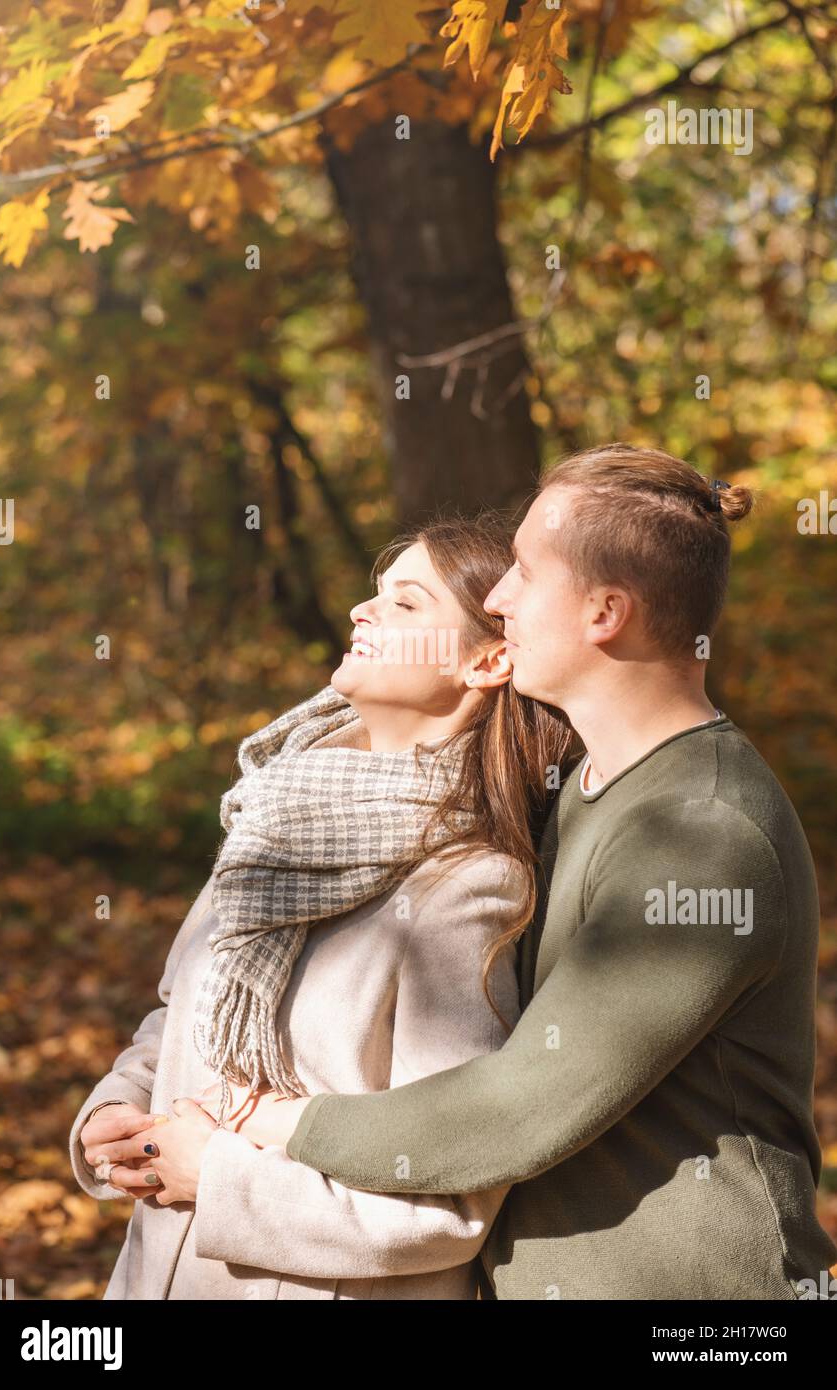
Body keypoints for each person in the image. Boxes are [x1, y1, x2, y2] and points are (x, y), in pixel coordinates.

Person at [205, 443, 837, 1300]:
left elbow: (519, 1108)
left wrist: (268, 1122)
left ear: (605, 611)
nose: (498, 598)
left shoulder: (704, 831)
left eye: (526, 575)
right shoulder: (583, 786)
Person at [69, 516, 573, 1299]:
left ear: (489, 659)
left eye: (406, 605)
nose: (360, 615)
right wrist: (120, 1107)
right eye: (374, 597)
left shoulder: (466, 888)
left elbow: (450, 1204)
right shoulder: (271, 820)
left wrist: (220, 1180)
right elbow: (180, 1021)